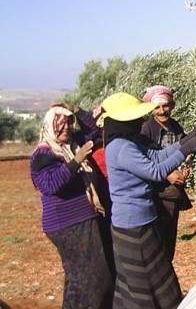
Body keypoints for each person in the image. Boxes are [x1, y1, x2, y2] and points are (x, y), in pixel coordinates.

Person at [102, 92, 196, 309]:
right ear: (124, 122)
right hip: (134, 226)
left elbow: (156, 156)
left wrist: (182, 143)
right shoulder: (121, 148)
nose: (140, 121)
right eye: (135, 118)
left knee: (138, 282)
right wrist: (186, 149)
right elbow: (156, 171)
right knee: (150, 282)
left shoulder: (128, 142)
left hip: (138, 221)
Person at [29, 103, 113, 308]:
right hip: (67, 223)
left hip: (81, 219)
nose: (66, 127)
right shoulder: (43, 155)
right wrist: (76, 162)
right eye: (60, 124)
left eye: (69, 123)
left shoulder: (72, 145)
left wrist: (76, 110)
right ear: (50, 126)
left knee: (80, 277)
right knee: (94, 277)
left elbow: (94, 130)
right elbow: (50, 185)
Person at [140, 85, 193, 260]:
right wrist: (167, 174)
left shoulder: (176, 127)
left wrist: (186, 169)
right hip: (156, 194)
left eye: (165, 106)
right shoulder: (146, 130)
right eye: (157, 107)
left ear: (172, 105)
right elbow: (145, 161)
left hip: (173, 194)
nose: (162, 111)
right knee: (157, 243)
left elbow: (186, 150)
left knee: (169, 242)